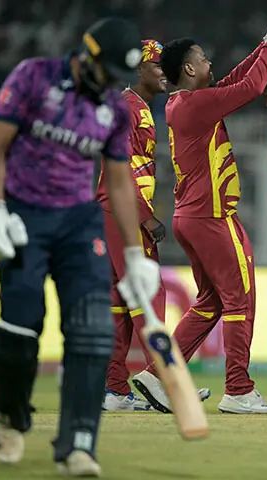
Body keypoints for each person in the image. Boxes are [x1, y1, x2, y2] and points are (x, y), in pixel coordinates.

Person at [0, 18, 160, 476]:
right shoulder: (33, 77)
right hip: (25, 214)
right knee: (20, 323)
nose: (114, 85)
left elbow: (119, 182)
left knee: (93, 333)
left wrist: (134, 255)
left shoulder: (113, 111)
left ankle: (78, 445)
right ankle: (12, 416)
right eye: (110, 72)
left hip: (79, 223)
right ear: (87, 54)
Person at [131, 18, 267, 415]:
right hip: (213, 216)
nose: (209, 62)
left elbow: (237, 82)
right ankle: (238, 388)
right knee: (241, 300)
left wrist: (262, 47)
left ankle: (158, 377)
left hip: (193, 215)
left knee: (210, 302)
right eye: (202, 59)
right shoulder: (197, 104)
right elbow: (251, 87)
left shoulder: (184, 103)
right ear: (188, 69)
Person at [95, 39, 210, 411]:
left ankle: (114, 389)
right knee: (149, 296)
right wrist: (145, 216)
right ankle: (167, 382)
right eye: (156, 65)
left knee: (120, 299)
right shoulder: (128, 108)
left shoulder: (137, 107)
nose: (163, 72)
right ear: (138, 70)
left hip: (113, 210)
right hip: (122, 211)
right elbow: (120, 168)